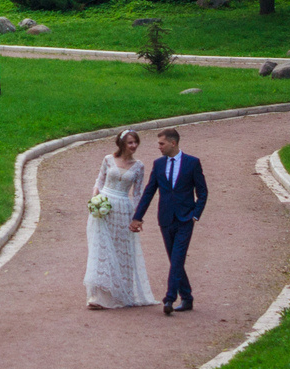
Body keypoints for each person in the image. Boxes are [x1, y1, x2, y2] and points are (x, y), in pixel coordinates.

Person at [130, 125, 208, 315]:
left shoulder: (192, 163)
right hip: (165, 218)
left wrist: (195, 215)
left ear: (173, 143)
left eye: (161, 143)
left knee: (177, 258)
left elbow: (203, 192)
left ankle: (170, 298)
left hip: (185, 219)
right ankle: (187, 298)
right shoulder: (159, 164)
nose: (159, 147)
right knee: (175, 260)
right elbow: (149, 192)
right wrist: (138, 217)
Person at [83, 131, 156, 309]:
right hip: (105, 206)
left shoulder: (138, 166)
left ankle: (122, 292)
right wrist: (95, 199)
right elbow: (99, 181)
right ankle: (98, 297)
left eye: (135, 143)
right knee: (102, 248)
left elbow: (138, 193)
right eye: (130, 143)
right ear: (122, 144)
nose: (133, 146)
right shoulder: (108, 159)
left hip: (124, 208)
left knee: (121, 249)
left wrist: (138, 217)